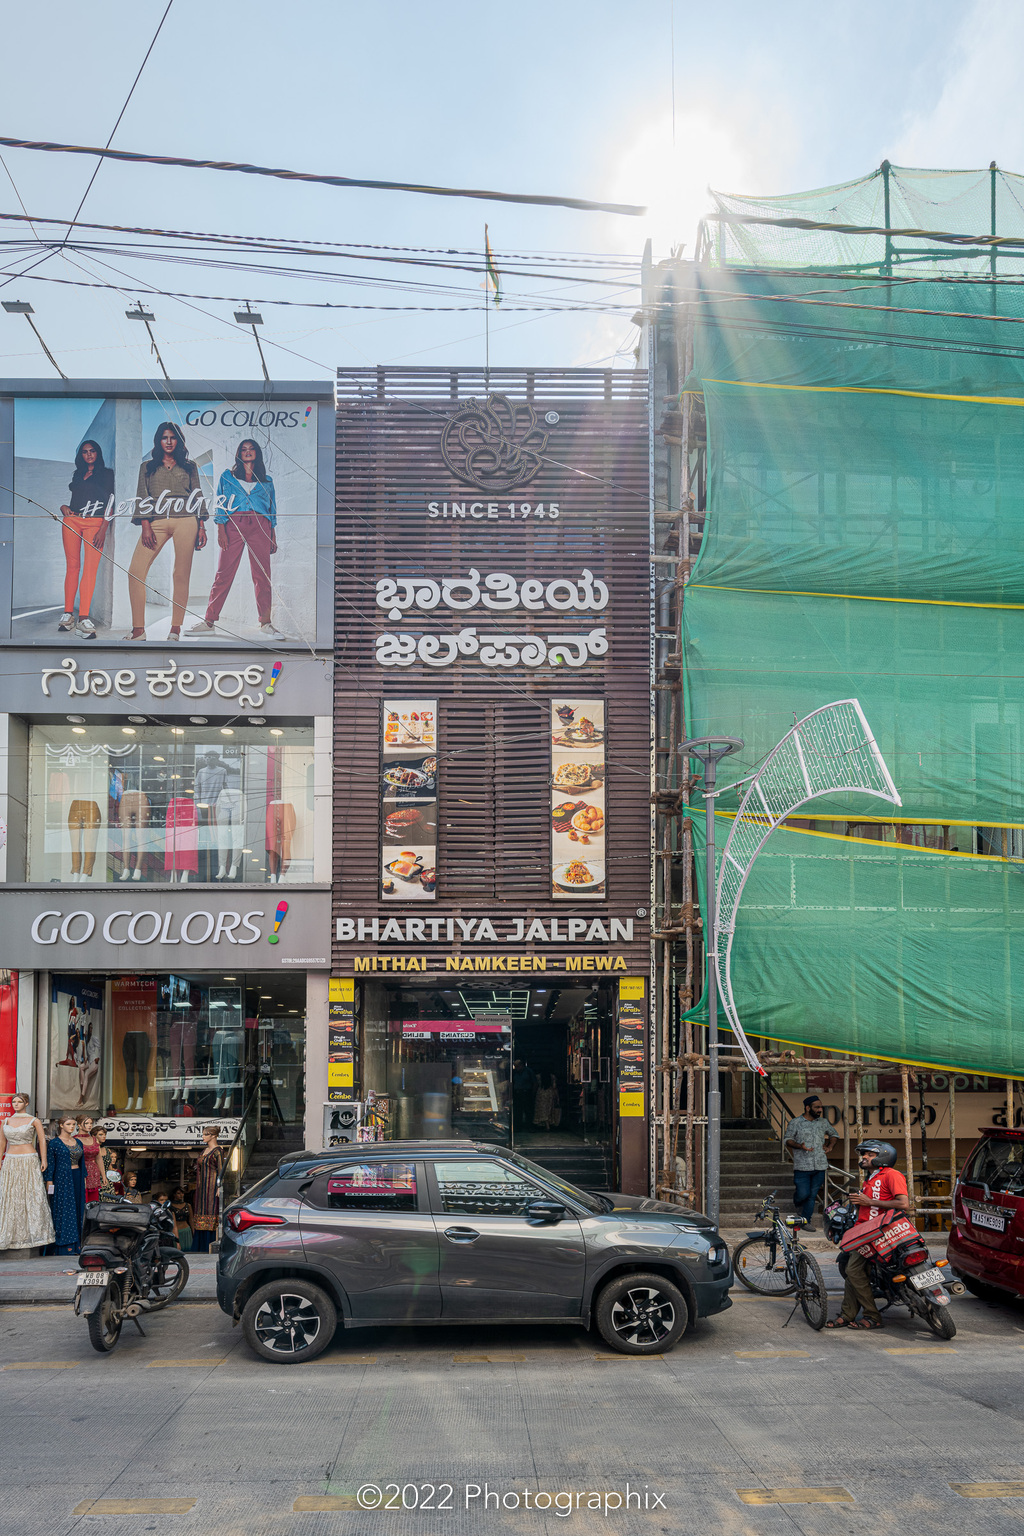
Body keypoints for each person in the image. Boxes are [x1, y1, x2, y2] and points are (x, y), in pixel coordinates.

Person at [189, 438, 287, 639]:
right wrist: (221, 529)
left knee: (262, 575)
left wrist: (272, 535)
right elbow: (220, 503)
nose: (248, 452)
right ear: (239, 454)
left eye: (251, 449)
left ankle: (266, 623)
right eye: (244, 449)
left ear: (257, 453)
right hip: (233, 525)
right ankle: (209, 621)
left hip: (261, 527)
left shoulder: (267, 481)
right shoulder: (228, 477)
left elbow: (272, 509)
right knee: (223, 574)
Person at [124, 422, 208, 641]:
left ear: (178, 440)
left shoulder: (190, 466)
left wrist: (202, 526)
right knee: (135, 572)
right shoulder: (147, 467)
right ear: (158, 440)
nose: (169, 442)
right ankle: (138, 630)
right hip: (156, 521)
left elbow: (197, 495)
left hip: (186, 520)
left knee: (181, 574)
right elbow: (142, 495)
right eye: (164, 437)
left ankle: (175, 628)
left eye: (173, 437)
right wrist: (145, 525)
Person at [826, 1140, 910, 1331]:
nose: (864, 1157)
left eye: (870, 1155)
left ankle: (872, 1315)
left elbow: (903, 1203)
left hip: (879, 1233)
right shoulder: (870, 1179)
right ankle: (847, 1314)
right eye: (864, 1154)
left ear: (883, 1157)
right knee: (853, 1273)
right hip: (865, 1232)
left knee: (853, 1271)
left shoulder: (892, 1174)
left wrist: (869, 1201)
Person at [58, 439, 114, 640]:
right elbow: (76, 500)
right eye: (84, 452)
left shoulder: (106, 474)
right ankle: (68, 614)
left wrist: (103, 529)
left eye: (92, 451)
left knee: (90, 568)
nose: (89, 454)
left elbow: (111, 502)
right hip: (72, 520)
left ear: (97, 453)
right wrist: (64, 507)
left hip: (95, 523)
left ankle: (83, 618)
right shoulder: (78, 474)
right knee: (72, 566)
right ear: (81, 455)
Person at [0, 1093, 55, 1250]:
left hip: (29, 1159)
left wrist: (44, 1160)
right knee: (10, 1195)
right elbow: (2, 1142)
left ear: (26, 1103)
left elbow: (42, 1140)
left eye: (19, 1101)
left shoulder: (34, 1120)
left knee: (30, 1194)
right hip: (10, 1160)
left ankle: (33, 1234)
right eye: (14, 1101)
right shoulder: (6, 1121)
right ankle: (10, 1234)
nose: (16, 1104)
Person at [784, 1094, 839, 1230]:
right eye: (817, 1107)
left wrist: (830, 1146)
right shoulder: (795, 1122)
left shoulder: (823, 1122)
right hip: (802, 1166)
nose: (820, 1110)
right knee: (803, 1194)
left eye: (821, 1107)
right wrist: (799, 1146)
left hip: (820, 1165)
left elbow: (834, 1134)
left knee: (812, 1195)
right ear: (808, 1108)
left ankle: (805, 1221)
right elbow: (787, 1140)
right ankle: (798, 1203)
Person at [46, 1115, 85, 1254]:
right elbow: (50, 1163)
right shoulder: (54, 1143)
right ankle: (64, 1245)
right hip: (62, 1178)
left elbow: (82, 1163)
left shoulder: (78, 1142)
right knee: (64, 1208)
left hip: (77, 1177)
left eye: (74, 1124)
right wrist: (49, 1181)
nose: (72, 1127)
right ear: (61, 1125)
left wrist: (84, 1179)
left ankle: (78, 1244)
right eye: (69, 1124)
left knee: (78, 1208)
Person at [192, 1125, 223, 1252]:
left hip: (211, 1187)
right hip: (202, 1188)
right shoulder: (204, 1151)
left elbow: (221, 1170)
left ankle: (208, 1244)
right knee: (200, 1211)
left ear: (213, 1136)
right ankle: (199, 1246)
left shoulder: (217, 1151)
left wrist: (219, 1187)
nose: (203, 1136)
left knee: (211, 1210)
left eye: (206, 1134)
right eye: (203, 1134)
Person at [76, 1116, 103, 1206]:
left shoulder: (95, 1139)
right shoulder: (74, 1139)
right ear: (79, 1125)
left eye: (91, 1123)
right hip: (81, 1170)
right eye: (86, 1123)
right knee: (82, 1198)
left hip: (94, 1172)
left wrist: (103, 1175)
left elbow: (99, 1158)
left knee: (94, 1200)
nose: (89, 1125)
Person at [511, 1060, 536, 1133]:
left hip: (526, 1093)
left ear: (521, 1065)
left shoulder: (528, 1071)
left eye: (517, 1066)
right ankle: (518, 1127)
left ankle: (529, 1126)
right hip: (517, 1093)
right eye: (515, 1066)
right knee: (517, 1111)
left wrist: (533, 1093)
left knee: (528, 1111)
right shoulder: (514, 1072)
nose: (516, 1068)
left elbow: (534, 1082)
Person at [169, 1186, 194, 1251]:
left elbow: (191, 1219)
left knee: (188, 1249)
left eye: (182, 1193)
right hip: (176, 1231)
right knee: (177, 1250)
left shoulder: (188, 1205)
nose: (181, 1195)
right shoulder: (170, 1206)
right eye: (178, 1193)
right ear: (174, 1194)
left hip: (187, 1231)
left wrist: (193, 1232)